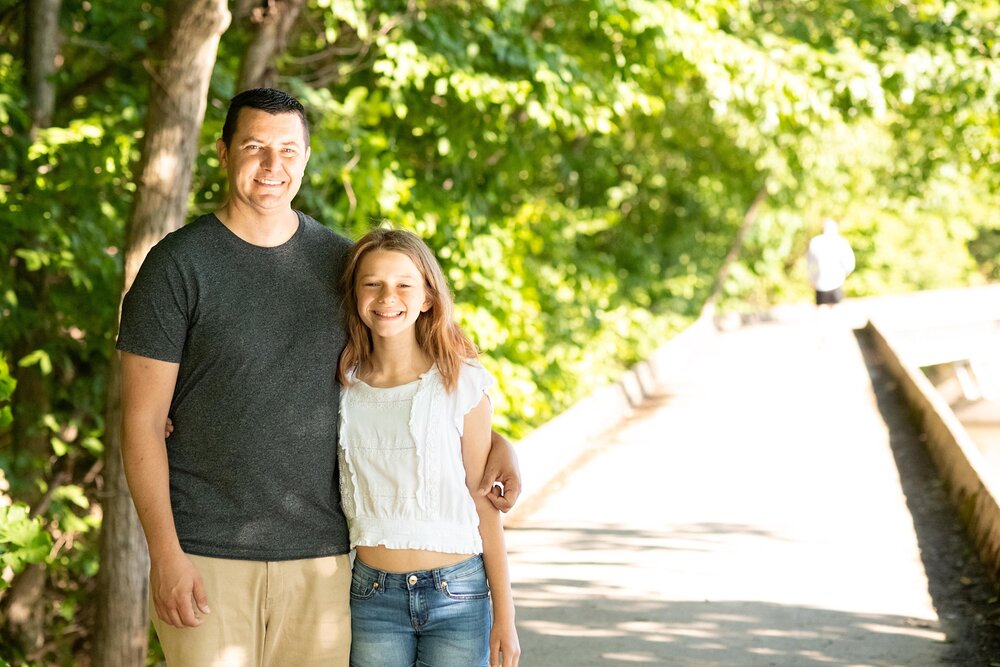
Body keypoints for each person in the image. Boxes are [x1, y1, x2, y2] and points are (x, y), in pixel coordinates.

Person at [116, 88, 521, 666]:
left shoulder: (343, 265)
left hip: (326, 561)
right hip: (206, 552)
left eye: (288, 150)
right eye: (255, 147)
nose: (271, 166)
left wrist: (498, 444)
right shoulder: (178, 265)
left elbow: (429, 369)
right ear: (224, 151)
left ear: (306, 158)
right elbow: (142, 421)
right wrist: (165, 553)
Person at [336, 228, 520, 667]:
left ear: (427, 298)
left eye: (404, 284)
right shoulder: (342, 387)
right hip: (371, 596)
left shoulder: (461, 382)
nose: (387, 297)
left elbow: (483, 501)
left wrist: (505, 615)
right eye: (372, 283)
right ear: (356, 295)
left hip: (457, 594)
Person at [806, 218, 855, 310]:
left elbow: (810, 263)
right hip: (834, 280)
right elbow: (849, 263)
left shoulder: (816, 242)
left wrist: (812, 278)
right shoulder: (841, 242)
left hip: (823, 281)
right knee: (833, 309)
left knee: (822, 309)